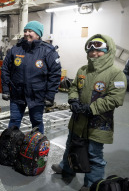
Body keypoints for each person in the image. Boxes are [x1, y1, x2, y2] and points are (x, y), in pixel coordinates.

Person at [51, 34, 127, 191]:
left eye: (99, 51)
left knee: (94, 155)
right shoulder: (82, 70)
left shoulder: (116, 74)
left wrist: (91, 108)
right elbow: (73, 88)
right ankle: (67, 168)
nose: (94, 54)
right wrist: (73, 99)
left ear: (109, 51)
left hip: (98, 125)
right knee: (71, 146)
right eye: (91, 51)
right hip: (77, 120)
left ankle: (93, 184)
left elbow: (115, 99)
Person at [1, 20, 61, 134]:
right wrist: (5, 89)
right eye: (25, 31)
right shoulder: (15, 49)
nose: (27, 33)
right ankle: (10, 146)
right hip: (17, 94)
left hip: (37, 95)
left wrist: (50, 96)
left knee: (37, 122)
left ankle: (38, 147)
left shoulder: (48, 51)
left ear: (38, 34)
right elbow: (5, 70)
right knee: (14, 121)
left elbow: (55, 74)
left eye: (30, 31)